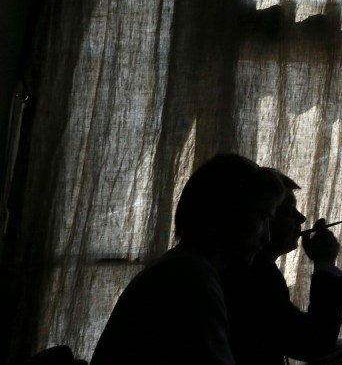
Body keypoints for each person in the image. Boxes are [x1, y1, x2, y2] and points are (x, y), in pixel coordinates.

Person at [89, 153, 285, 365]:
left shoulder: (180, 267)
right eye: (262, 217)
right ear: (228, 214)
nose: (267, 236)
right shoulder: (192, 278)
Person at [223, 169, 342, 365]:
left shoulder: (253, 270)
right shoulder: (253, 276)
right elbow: (313, 343)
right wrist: (325, 262)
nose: (301, 219)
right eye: (286, 209)